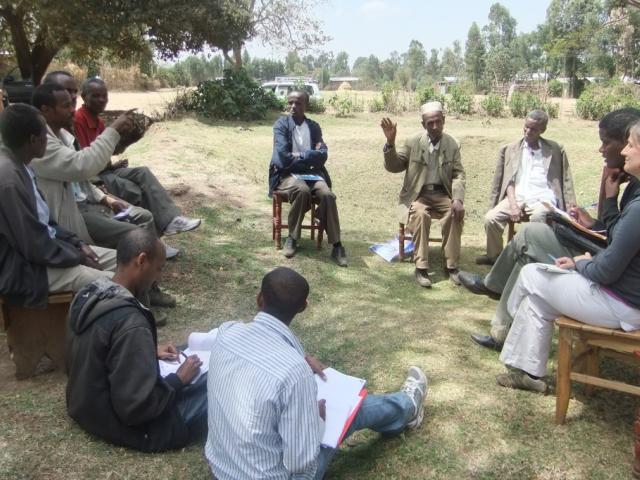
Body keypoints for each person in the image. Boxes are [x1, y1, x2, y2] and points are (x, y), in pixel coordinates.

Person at [205, 267, 427, 480]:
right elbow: (299, 463)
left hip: (222, 469)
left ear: (259, 298)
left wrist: (299, 358)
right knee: (348, 409)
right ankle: (407, 405)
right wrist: (318, 423)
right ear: (303, 307)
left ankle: (401, 409)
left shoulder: (226, 333)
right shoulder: (294, 374)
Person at [458, 108, 640, 351]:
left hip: (612, 280)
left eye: (607, 143)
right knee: (529, 243)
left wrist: (582, 258)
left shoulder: (635, 192)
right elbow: (618, 235)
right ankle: (501, 328)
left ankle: (495, 295)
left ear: (629, 140)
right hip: (607, 263)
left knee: (530, 237)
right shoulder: (630, 184)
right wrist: (594, 221)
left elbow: (615, 247)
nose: (601, 149)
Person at [496, 119, 640, 393]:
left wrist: (582, 264)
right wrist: (578, 262)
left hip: (623, 304)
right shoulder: (635, 194)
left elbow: (607, 269)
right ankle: (529, 373)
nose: (624, 152)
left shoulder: (638, 208)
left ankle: (507, 324)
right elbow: (618, 243)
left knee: (530, 276)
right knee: (538, 301)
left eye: (631, 146)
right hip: (624, 298)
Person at [30, 83, 175, 311]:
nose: (72, 108)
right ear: (45, 110)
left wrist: (104, 198)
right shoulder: (39, 148)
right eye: (66, 104)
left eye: (73, 101)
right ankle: (136, 310)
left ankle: (144, 304)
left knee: (141, 211)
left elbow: (81, 179)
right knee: (128, 257)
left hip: (78, 217)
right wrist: (114, 130)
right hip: (68, 230)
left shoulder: (62, 137)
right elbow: (82, 166)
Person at [65, 229, 208, 451]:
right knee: (216, 385)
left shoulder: (91, 293)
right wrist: (179, 380)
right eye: (158, 269)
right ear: (141, 261)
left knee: (181, 352)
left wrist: (147, 350)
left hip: (83, 405)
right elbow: (138, 409)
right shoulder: (131, 323)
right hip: (125, 426)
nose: (157, 278)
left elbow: (100, 350)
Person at [0, 103, 115, 308]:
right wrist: (77, 256)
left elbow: (47, 223)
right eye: (45, 134)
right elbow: (34, 246)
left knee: (127, 261)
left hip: (49, 253)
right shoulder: (9, 179)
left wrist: (77, 243)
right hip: (27, 270)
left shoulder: (23, 165)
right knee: (116, 283)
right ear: (33, 140)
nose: (49, 138)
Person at [72, 75, 201, 237]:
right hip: (94, 176)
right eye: (95, 96)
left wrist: (113, 165)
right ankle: (151, 239)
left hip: (105, 170)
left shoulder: (99, 121)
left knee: (143, 172)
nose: (101, 100)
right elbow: (86, 160)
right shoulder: (79, 120)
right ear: (84, 97)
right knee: (133, 190)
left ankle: (171, 221)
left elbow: (102, 154)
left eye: (104, 95)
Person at [381, 101, 466, 287]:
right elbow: (394, 166)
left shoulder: (452, 144)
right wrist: (390, 143)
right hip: (418, 195)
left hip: (443, 194)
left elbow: (458, 174)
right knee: (419, 214)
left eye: (438, 121)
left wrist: (458, 199)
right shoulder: (413, 142)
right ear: (423, 125)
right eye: (430, 123)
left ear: (444, 120)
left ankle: (452, 266)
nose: (435, 126)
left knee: (454, 213)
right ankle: (421, 267)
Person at [477, 110, 576, 265]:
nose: (528, 132)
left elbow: (567, 180)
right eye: (526, 127)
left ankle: (532, 259)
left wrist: (571, 206)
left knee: (538, 217)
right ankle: (495, 258)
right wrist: (514, 205)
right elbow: (508, 181)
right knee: (490, 219)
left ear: (542, 130)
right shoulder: (511, 149)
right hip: (517, 196)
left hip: (542, 198)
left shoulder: (555, 149)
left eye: (533, 129)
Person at [269, 90, 347, 266]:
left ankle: (337, 245)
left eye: (298, 103)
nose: (293, 106)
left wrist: (300, 156)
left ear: (306, 105)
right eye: (290, 103)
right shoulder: (281, 125)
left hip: (313, 174)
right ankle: (292, 237)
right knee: (301, 189)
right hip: (286, 175)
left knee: (327, 194)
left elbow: (323, 154)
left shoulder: (314, 127)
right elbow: (282, 156)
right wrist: (309, 157)